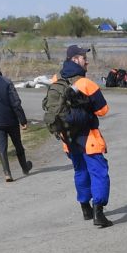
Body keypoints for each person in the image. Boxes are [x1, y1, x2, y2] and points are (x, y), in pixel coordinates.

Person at [51, 45, 115, 227]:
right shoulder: (86, 83)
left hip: (67, 137)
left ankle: (85, 208)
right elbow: (103, 110)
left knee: (80, 171)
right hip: (88, 137)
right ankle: (98, 212)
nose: (86, 60)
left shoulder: (56, 79)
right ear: (74, 60)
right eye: (82, 57)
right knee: (99, 172)